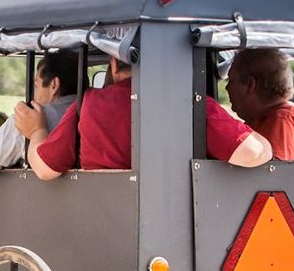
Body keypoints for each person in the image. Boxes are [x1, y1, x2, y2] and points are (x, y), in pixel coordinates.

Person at [14, 56, 271, 179]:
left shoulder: (88, 105)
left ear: (114, 64)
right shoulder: (191, 104)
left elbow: (45, 169)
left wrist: (36, 131)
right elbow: (251, 153)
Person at [0, 51, 82, 179]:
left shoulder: (31, 118)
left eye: (36, 86)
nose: (34, 97)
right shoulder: (91, 115)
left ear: (54, 85)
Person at [226, 48, 294, 160]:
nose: (227, 88)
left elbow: (271, 174)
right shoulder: (268, 118)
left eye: (231, 81)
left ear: (250, 84)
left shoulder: (281, 120)